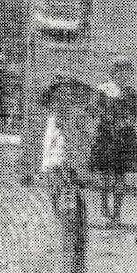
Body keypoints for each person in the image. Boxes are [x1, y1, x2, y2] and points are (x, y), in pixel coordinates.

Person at [88, 56, 137, 227]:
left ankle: (117, 213)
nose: (125, 76)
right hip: (105, 136)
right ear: (113, 73)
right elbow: (92, 110)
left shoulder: (132, 94)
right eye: (121, 72)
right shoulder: (102, 90)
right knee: (105, 175)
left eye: (128, 72)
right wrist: (102, 116)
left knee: (121, 176)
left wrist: (127, 121)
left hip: (124, 137)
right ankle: (105, 210)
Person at [39, 74, 94, 217]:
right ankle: (56, 208)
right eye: (60, 91)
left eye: (67, 91)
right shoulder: (53, 110)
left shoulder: (77, 112)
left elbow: (83, 131)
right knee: (53, 180)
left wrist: (85, 139)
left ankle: (71, 209)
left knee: (69, 179)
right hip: (54, 148)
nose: (64, 95)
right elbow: (43, 102)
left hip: (70, 149)